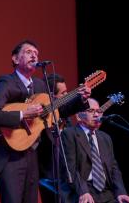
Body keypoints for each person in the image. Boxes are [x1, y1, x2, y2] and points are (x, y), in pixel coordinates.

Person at [0, 40, 91, 203]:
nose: (34, 55)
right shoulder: (6, 82)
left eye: (36, 53)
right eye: (29, 52)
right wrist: (23, 113)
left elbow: (58, 110)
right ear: (15, 59)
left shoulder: (40, 84)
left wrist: (81, 99)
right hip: (10, 155)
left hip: (32, 153)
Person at [59, 98, 129, 203]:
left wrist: (121, 192)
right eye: (90, 111)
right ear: (78, 116)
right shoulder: (69, 134)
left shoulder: (105, 138)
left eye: (99, 111)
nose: (96, 115)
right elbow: (71, 169)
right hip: (81, 190)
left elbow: (113, 168)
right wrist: (83, 191)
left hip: (106, 192)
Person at [39, 73, 74, 203]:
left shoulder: (66, 117)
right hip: (48, 177)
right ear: (52, 96)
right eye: (63, 93)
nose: (67, 96)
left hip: (67, 176)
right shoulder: (40, 120)